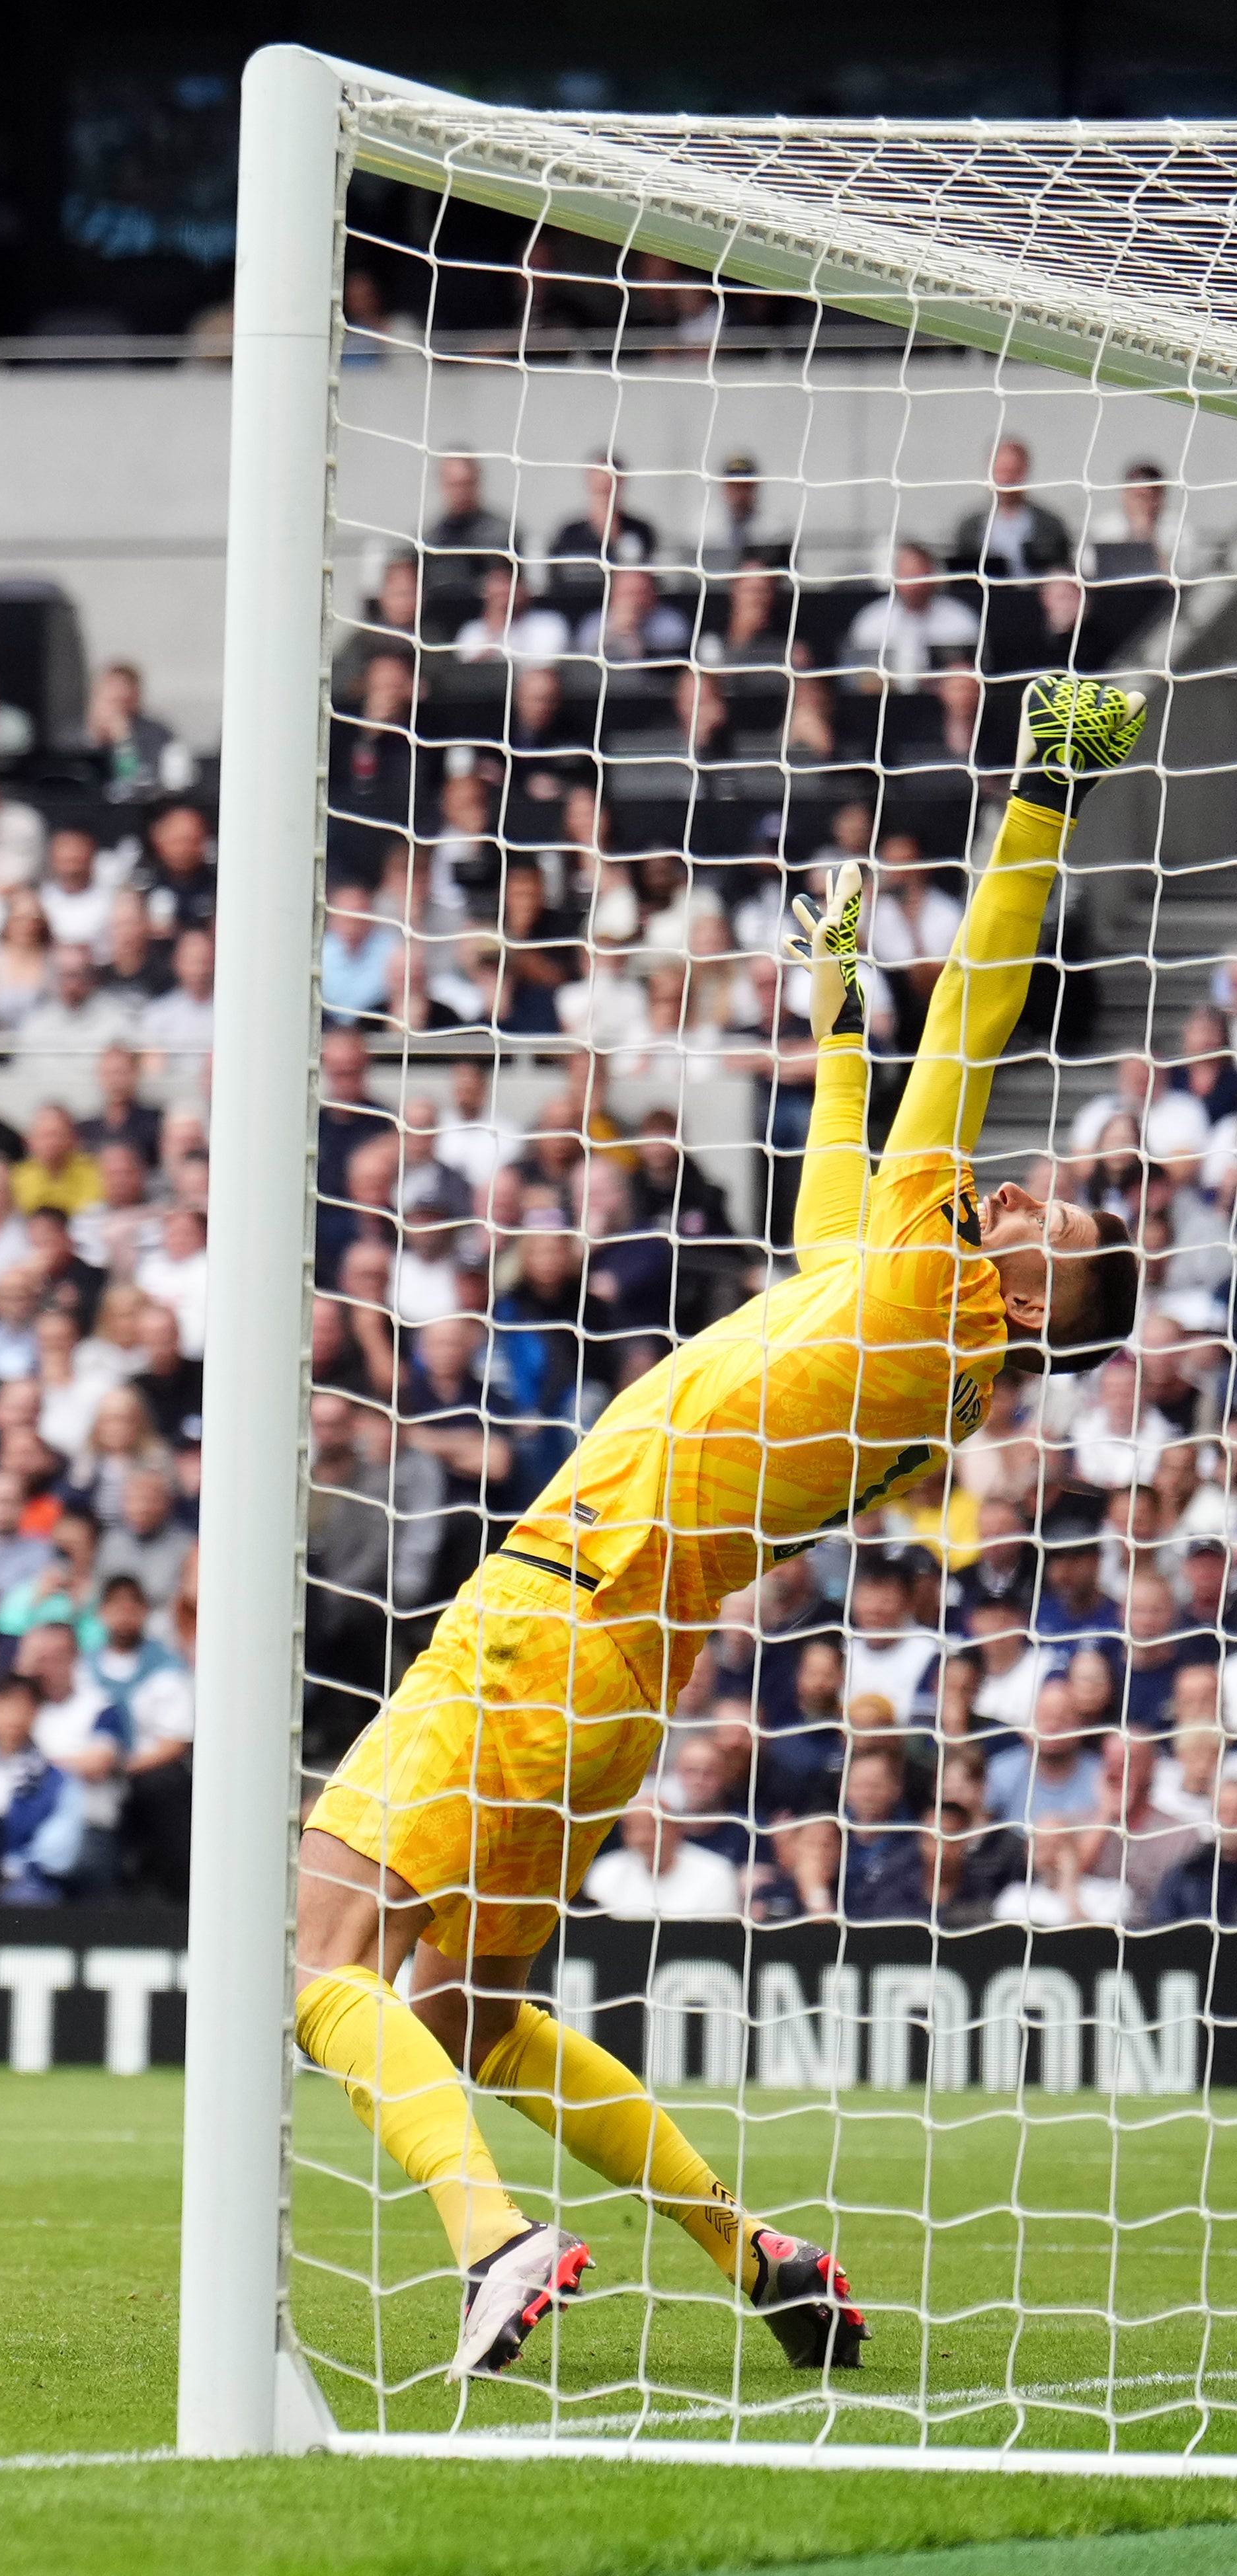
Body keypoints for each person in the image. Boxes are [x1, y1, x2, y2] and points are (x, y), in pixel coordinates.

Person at [291, 673, 1148, 2382]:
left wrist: (1042, 797)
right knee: (465, 2009)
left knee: (316, 1961)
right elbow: (838, 1184)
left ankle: (496, 2243)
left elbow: (966, 1028)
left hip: (548, 1610)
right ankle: (746, 2246)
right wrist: (837, 1004)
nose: (1036, 1193)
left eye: (1061, 1224)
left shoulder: (936, 1288)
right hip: (623, 1680)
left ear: (1041, 1297)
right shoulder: (915, 1351)